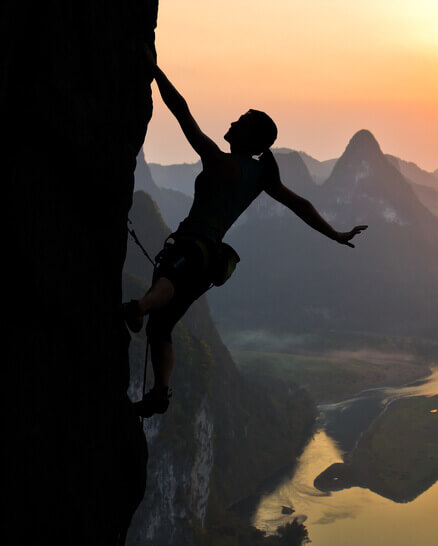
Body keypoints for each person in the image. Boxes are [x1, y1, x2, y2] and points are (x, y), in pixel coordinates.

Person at [125, 47, 367, 417]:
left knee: (170, 282)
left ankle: (139, 307)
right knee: (163, 327)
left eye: (241, 121)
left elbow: (182, 113)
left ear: (249, 138)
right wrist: (335, 234)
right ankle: (160, 391)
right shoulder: (260, 177)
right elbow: (300, 205)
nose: (233, 122)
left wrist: (155, 73)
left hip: (193, 249)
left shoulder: (219, 162)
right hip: (210, 261)